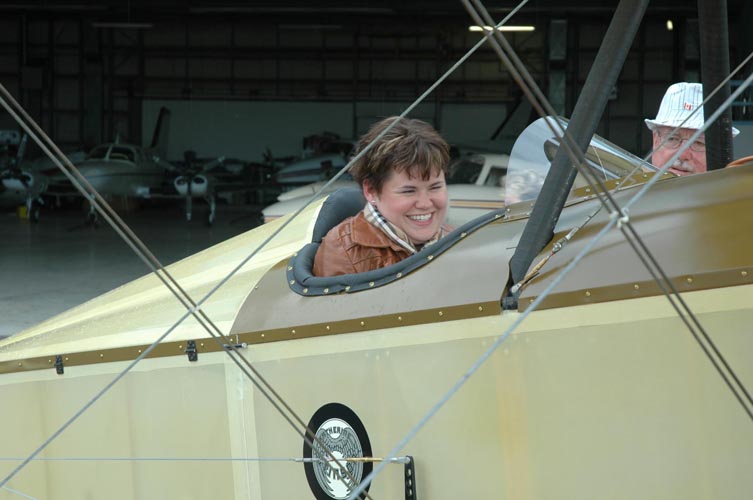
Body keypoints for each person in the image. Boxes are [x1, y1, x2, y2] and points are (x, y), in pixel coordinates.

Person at [312, 116, 452, 277]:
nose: (425, 203)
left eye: (435, 187)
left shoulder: (460, 240)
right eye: (409, 191)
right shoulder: (343, 253)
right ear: (371, 191)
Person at [645, 82, 740, 176]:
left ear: (720, 152)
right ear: (655, 140)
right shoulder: (632, 189)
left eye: (699, 143)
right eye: (672, 138)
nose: (682, 155)